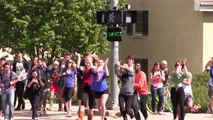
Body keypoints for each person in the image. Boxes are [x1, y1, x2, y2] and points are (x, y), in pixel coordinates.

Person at [115, 55, 135, 120]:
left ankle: (130, 112)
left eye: (130, 60)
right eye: (128, 60)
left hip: (130, 94)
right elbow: (117, 73)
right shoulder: (123, 76)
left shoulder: (131, 73)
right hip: (122, 94)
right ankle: (125, 118)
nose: (123, 69)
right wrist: (117, 65)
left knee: (127, 110)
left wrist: (122, 66)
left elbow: (130, 70)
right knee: (121, 108)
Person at [77, 53, 96, 120]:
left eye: (88, 60)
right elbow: (78, 67)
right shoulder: (84, 68)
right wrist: (79, 57)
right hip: (85, 87)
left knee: (91, 103)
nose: (87, 61)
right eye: (86, 60)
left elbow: (92, 68)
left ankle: (90, 117)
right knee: (83, 101)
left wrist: (90, 59)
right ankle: (80, 117)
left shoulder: (93, 67)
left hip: (92, 87)